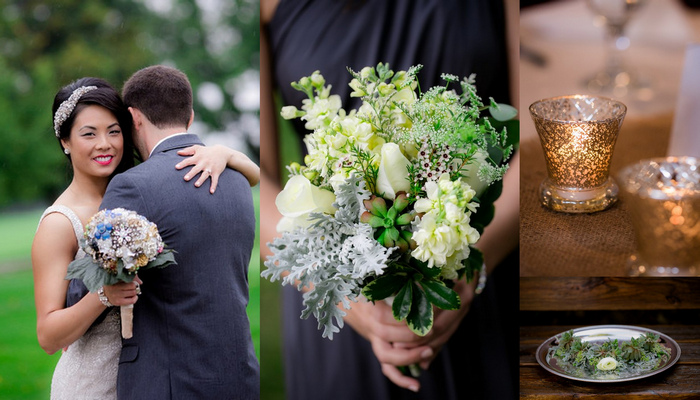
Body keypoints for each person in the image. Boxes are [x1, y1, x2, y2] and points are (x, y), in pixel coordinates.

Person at [260, 0, 519, 399]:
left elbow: (538, 137)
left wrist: (461, 272)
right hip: (338, 299)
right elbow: (260, 183)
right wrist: (346, 294)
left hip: (480, 272)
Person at [32, 76, 259, 399]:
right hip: (94, 381)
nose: (105, 144)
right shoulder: (60, 222)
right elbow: (48, 335)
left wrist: (226, 154)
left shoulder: (138, 190)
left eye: (114, 131)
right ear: (65, 142)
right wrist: (105, 296)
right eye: (88, 134)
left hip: (149, 374)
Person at [96, 65, 259, 399]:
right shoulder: (238, 178)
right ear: (190, 115)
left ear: (133, 117)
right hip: (240, 374)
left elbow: (91, 281)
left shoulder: (132, 186)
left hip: (169, 382)